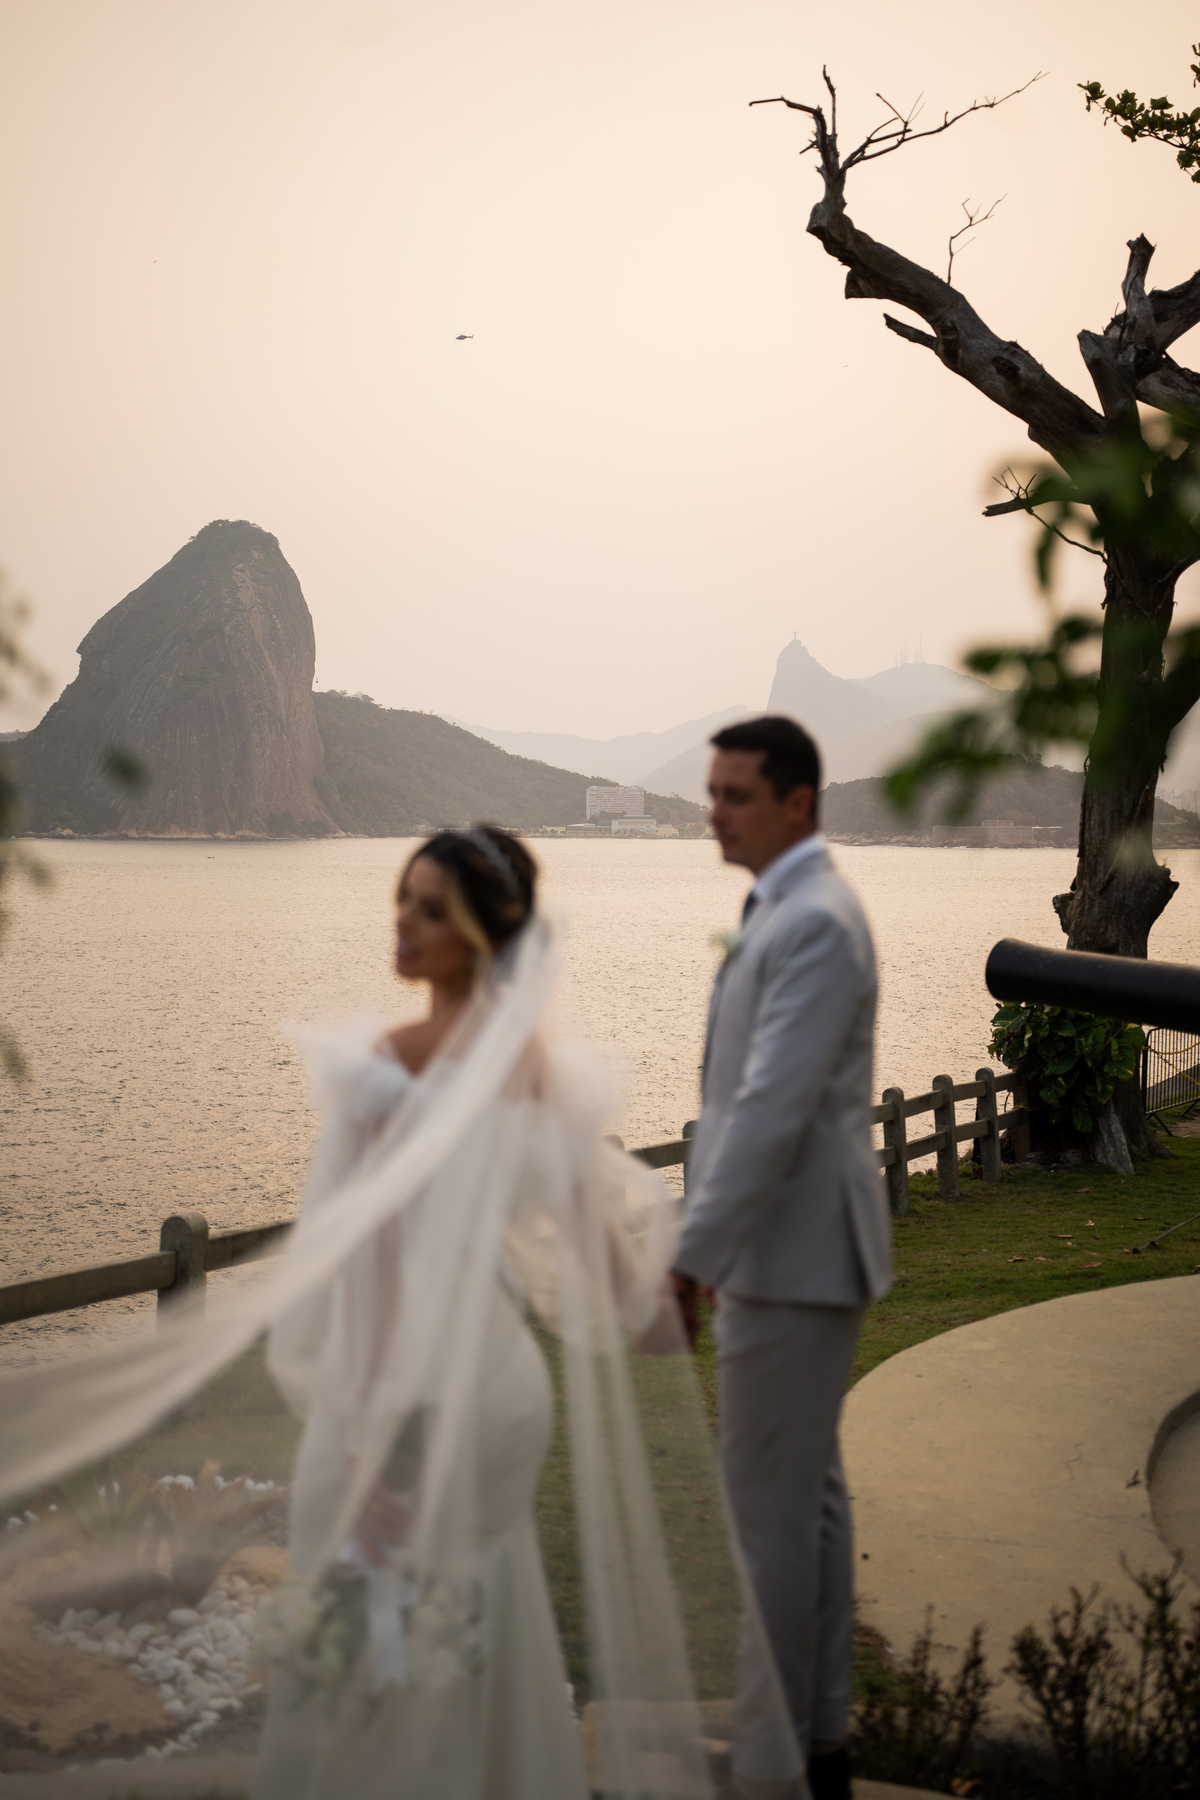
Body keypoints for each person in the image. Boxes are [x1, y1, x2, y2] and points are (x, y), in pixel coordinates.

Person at [0, 825, 795, 1800]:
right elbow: (620, 1290)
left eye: (430, 909)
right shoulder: (536, 1071)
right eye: (401, 900)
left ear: (480, 935)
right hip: (503, 1395)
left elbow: (368, 1276)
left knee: (370, 1657)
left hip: (405, 1396)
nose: (404, 923)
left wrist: (368, 1452)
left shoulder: (390, 1066)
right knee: (483, 1612)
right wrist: (679, 1297)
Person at [672, 718, 893, 1800]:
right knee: (809, 1506)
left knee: (765, 1519)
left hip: (789, 1256)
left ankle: (771, 1769)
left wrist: (688, 1258)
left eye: (735, 795)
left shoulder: (815, 923)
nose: (713, 811)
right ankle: (817, 1744)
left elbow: (768, 1112)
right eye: (711, 792)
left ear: (798, 802)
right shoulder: (787, 909)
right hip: (792, 1251)